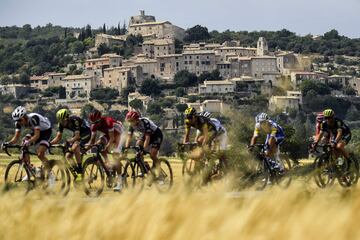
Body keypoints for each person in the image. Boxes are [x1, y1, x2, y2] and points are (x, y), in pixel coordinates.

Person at [6, 106, 52, 175]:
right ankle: (31, 169)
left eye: (20, 120)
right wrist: (8, 143)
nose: (19, 122)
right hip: (37, 131)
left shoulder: (34, 118)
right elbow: (16, 138)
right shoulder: (18, 123)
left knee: (40, 154)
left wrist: (29, 142)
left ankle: (50, 174)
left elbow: (37, 136)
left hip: (46, 131)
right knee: (24, 141)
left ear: (25, 117)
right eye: (17, 121)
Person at [87, 109, 124, 191]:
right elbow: (92, 140)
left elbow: (112, 139)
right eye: (93, 123)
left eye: (96, 122)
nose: (95, 124)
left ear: (100, 119)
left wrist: (107, 147)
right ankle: (107, 163)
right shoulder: (94, 125)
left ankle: (120, 182)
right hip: (109, 134)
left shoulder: (108, 121)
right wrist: (86, 149)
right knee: (98, 144)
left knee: (115, 155)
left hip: (118, 133)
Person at [50, 109, 91, 177]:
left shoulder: (75, 121)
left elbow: (77, 137)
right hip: (76, 135)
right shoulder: (60, 124)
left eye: (63, 121)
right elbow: (58, 138)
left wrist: (69, 141)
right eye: (60, 121)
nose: (62, 123)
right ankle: (77, 171)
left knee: (75, 147)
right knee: (68, 156)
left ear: (67, 118)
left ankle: (80, 171)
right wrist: (49, 143)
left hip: (85, 134)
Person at [124, 111, 163, 175]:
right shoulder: (131, 125)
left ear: (136, 119)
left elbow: (147, 138)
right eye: (129, 121)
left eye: (131, 121)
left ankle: (160, 173)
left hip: (156, 134)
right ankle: (144, 167)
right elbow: (129, 137)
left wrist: (144, 149)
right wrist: (126, 148)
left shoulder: (144, 122)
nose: (130, 123)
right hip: (146, 134)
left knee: (152, 155)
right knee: (138, 146)